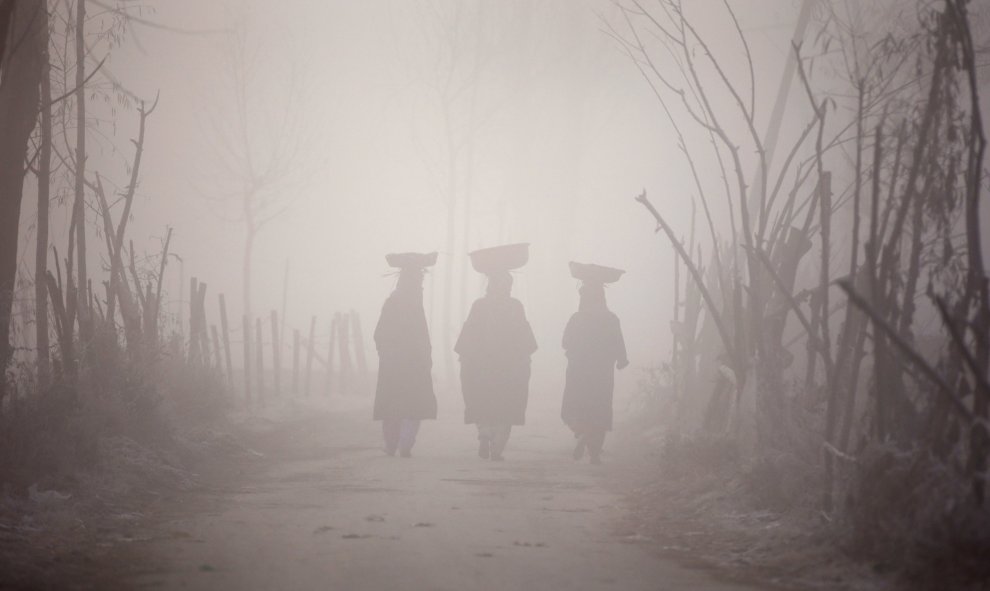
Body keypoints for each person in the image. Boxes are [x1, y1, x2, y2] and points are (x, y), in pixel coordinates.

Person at [456, 260, 537, 461]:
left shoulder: (479, 305)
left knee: (480, 401)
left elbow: (468, 335)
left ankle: (483, 431)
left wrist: (465, 357)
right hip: (509, 369)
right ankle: (497, 449)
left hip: (479, 367)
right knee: (506, 408)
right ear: (508, 286)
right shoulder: (515, 307)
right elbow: (526, 339)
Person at [561, 263, 628, 464]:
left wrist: (574, 354)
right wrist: (622, 360)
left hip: (578, 371)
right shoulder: (611, 319)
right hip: (602, 373)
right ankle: (595, 452)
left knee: (577, 405)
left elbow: (565, 342)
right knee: (600, 407)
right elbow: (619, 343)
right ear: (603, 298)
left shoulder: (577, 318)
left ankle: (581, 431)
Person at [373, 252, 438, 458]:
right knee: (413, 404)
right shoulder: (414, 305)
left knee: (393, 405)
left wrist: (386, 353)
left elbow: (380, 333)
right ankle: (405, 444)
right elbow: (421, 336)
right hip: (414, 362)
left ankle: (392, 444)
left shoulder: (392, 303)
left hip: (393, 363)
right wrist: (424, 357)